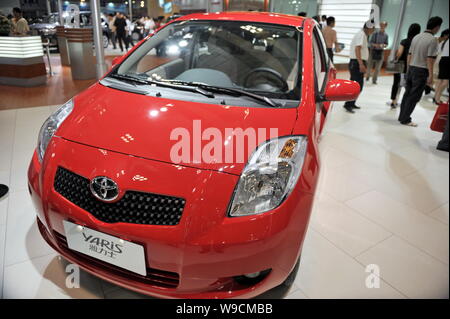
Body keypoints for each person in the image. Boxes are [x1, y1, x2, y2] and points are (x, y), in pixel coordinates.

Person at [398, 16, 442, 127]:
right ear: (437, 27)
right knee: (414, 96)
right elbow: (430, 59)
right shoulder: (432, 40)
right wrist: (431, 75)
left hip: (411, 68)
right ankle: (406, 119)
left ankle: (402, 116)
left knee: (407, 94)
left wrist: (408, 69)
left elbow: (409, 54)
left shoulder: (416, 37)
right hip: (421, 70)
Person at [343, 22, 375, 113]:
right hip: (357, 63)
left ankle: (351, 103)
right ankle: (348, 104)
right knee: (356, 85)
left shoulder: (362, 34)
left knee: (357, 85)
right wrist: (361, 64)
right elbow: (357, 49)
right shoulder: (361, 35)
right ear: (369, 28)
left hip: (357, 62)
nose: (373, 31)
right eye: (373, 29)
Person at [389, 23, 421, 109]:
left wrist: (395, 59)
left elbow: (399, 53)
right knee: (408, 85)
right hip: (411, 66)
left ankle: (394, 101)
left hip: (400, 65)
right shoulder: (417, 43)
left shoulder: (404, 41)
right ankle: (405, 102)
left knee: (396, 84)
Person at [434, 29, 449, 104]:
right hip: (447, 61)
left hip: (442, 60)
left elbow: (438, 51)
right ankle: (437, 98)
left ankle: (436, 97)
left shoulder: (443, 42)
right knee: (445, 82)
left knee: (440, 81)